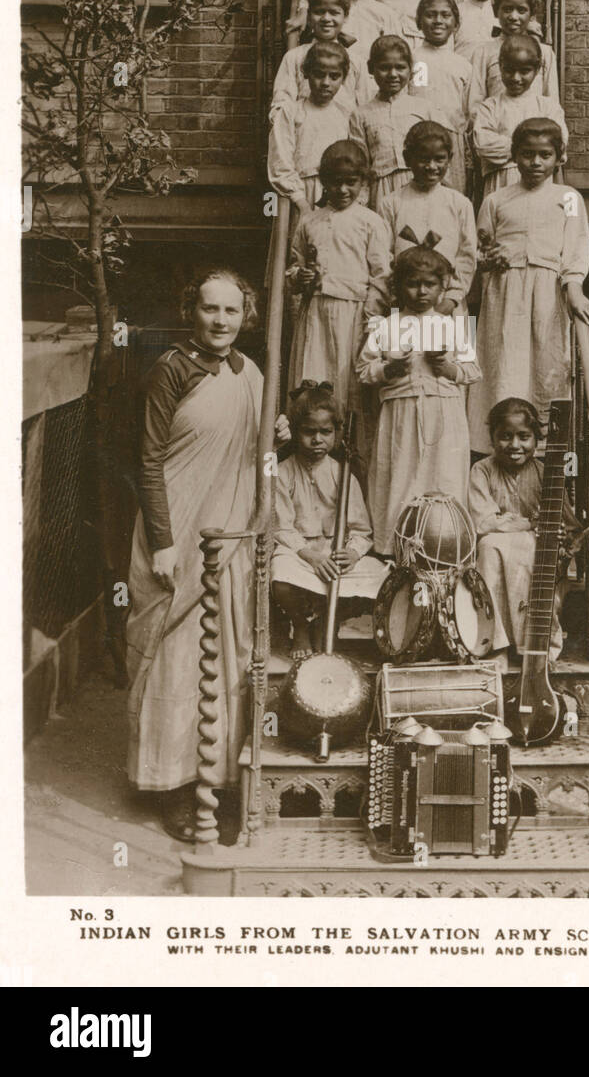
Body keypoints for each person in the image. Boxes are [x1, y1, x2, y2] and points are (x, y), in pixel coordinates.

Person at [126, 268, 264, 842]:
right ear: (193, 311)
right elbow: (150, 460)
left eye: (231, 311)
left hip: (230, 537)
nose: (221, 321)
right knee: (177, 660)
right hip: (178, 536)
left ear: (244, 316)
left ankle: (220, 783)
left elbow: (252, 450)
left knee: (228, 656)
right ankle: (175, 787)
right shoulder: (173, 369)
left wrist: (273, 431)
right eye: (210, 309)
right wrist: (163, 542)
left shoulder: (252, 373)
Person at [467, 118, 589, 452]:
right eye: (527, 154)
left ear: (558, 157)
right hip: (504, 293)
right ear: (515, 156)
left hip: (547, 294)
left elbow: (575, 248)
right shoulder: (496, 199)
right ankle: (498, 444)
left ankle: (544, 449)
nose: (535, 162)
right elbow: (479, 249)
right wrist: (487, 260)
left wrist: (574, 286)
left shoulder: (567, 197)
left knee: (548, 364)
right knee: (504, 362)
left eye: (544, 155)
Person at [356, 246, 480, 556]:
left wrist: (448, 368)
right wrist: (389, 369)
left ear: (442, 288)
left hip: (444, 415)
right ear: (398, 286)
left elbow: (473, 371)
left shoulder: (455, 325)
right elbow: (363, 370)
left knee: (444, 477)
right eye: (413, 283)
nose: (421, 291)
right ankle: (393, 550)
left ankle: (445, 548)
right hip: (400, 415)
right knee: (400, 476)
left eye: (430, 284)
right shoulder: (385, 325)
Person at [271, 384, 385, 660]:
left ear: (336, 433)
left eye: (326, 432)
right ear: (296, 433)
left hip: (333, 554)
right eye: (309, 432)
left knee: (382, 579)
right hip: (299, 553)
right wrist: (309, 555)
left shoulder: (344, 474)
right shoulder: (282, 471)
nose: (318, 440)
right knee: (279, 574)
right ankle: (299, 625)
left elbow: (361, 529)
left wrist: (353, 553)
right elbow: (280, 526)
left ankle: (325, 621)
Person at [287, 141, 391, 432]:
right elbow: (294, 264)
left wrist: (369, 322)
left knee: (348, 386)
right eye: (336, 182)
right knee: (313, 378)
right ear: (323, 182)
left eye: (351, 182)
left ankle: (347, 455)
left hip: (353, 316)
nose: (343, 190)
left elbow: (381, 275)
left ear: (364, 182)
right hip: (316, 314)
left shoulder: (371, 222)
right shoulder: (309, 221)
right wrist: (299, 277)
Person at [469, 397, 579, 667]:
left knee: (531, 548)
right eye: (505, 437)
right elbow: (484, 523)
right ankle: (495, 646)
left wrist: (564, 536)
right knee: (491, 546)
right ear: (492, 438)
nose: (515, 445)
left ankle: (536, 646)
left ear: (537, 439)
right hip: (493, 554)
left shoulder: (546, 472)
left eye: (524, 437)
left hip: (536, 552)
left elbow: (570, 525)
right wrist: (530, 523)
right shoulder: (481, 470)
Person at [380, 121, 477, 315]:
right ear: (407, 159)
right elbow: (383, 254)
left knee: (447, 345)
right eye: (423, 159)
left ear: (449, 159)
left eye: (439, 159)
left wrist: (452, 298)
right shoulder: (391, 203)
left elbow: (467, 255)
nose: (431, 166)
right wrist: (397, 295)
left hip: (447, 304)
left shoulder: (459, 203)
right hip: (405, 301)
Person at [472, 33, 568, 198]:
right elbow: (483, 144)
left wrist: (514, 150)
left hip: (541, 179)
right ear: (500, 67)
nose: (516, 78)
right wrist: (530, 149)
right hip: (501, 180)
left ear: (537, 70)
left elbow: (559, 143)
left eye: (524, 71)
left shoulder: (547, 107)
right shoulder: (489, 107)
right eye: (509, 70)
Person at [267, 42, 351, 212]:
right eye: (319, 75)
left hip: (338, 196)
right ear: (306, 73)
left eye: (334, 76)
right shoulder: (291, 112)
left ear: (343, 78)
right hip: (300, 196)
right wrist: (300, 202)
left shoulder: (347, 115)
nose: (326, 82)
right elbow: (280, 161)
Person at [348, 35, 426, 210]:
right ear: (370, 68)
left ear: (411, 70)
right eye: (384, 68)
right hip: (381, 188)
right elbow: (361, 164)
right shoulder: (361, 114)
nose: (392, 74)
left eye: (400, 68)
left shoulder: (423, 108)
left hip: (419, 182)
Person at [408, 0, 473, 194]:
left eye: (445, 15)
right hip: (419, 140)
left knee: (451, 197)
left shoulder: (463, 65)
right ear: (418, 22)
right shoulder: (413, 60)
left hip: (452, 142)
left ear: (456, 23)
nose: (438, 21)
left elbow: (468, 110)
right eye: (430, 15)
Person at [271, 0, 371, 110]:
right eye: (319, 12)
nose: (326, 18)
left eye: (334, 13)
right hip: (305, 126)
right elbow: (282, 102)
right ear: (308, 16)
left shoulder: (356, 61)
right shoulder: (294, 57)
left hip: (344, 128)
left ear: (345, 17)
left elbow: (365, 105)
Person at [469, 0, 559, 107]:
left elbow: (552, 102)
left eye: (521, 10)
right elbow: (475, 104)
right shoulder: (483, 52)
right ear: (496, 11)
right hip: (495, 124)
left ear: (532, 13)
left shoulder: (545, 53)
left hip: (534, 124)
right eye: (507, 9)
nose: (513, 17)